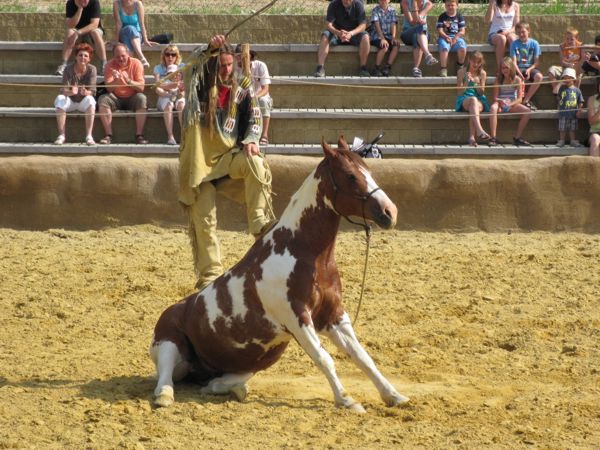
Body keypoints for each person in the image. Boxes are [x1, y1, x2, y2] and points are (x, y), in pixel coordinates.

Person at [179, 35, 275, 290]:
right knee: (204, 219)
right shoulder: (200, 82)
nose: (226, 70)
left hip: (228, 158)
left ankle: (259, 222)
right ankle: (210, 275)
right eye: (221, 65)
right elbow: (191, 65)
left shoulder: (243, 86)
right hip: (200, 164)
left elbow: (255, 118)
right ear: (213, 64)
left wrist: (252, 138)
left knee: (256, 163)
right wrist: (209, 49)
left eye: (230, 65)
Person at [98, 43, 148, 144]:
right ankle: (108, 135)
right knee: (103, 99)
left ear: (128, 54)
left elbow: (141, 88)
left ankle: (139, 135)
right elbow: (109, 89)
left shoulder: (137, 63)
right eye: (117, 57)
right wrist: (116, 80)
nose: (120, 59)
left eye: (123, 56)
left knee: (142, 98)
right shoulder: (109, 65)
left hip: (132, 97)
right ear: (113, 57)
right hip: (115, 98)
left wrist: (128, 81)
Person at [53, 43, 97, 145]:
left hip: (83, 102)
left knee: (91, 99)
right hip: (70, 101)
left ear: (89, 59)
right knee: (60, 98)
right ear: (76, 57)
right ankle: (61, 135)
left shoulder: (92, 69)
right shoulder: (68, 69)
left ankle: (89, 136)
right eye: (80, 55)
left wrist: (86, 92)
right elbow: (63, 90)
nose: (83, 58)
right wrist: (70, 92)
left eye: (86, 56)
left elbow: (93, 91)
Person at [314, 0, 371, 77]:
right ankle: (320, 67)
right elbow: (328, 24)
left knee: (366, 37)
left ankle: (363, 68)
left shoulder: (358, 5)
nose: (345, 1)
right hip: (337, 34)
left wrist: (351, 33)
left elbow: (363, 25)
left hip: (353, 34)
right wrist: (339, 33)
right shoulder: (333, 4)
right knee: (325, 35)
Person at [56, 0, 107, 76]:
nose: (86, 1)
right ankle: (63, 65)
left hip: (92, 31)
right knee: (70, 32)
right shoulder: (70, 3)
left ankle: (104, 64)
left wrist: (78, 32)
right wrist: (80, 9)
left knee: (95, 32)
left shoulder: (94, 2)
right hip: (77, 31)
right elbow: (70, 25)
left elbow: (94, 24)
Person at [488, 57, 531, 146]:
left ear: (511, 67)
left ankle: (517, 138)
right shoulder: (498, 79)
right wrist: (502, 101)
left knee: (527, 111)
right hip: (500, 103)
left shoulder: (517, 79)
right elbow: (495, 97)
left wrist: (510, 104)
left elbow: (519, 99)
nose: (504, 70)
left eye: (506, 67)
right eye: (502, 68)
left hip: (512, 103)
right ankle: (493, 137)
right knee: (492, 108)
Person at [235, 44, 273, 145]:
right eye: (237, 56)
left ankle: (264, 134)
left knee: (263, 101)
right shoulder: (234, 68)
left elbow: (265, 89)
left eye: (240, 56)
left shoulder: (261, 66)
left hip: (258, 95)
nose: (238, 59)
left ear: (249, 57)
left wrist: (254, 97)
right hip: (242, 96)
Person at [454, 51, 490, 146]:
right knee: (473, 100)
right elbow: (459, 92)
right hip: (464, 98)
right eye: (474, 61)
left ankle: (472, 138)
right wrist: (466, 82)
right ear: (469, 60)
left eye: (478, 62)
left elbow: (482, 92)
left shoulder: (482, 73)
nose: (476, 64)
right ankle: (479, 130)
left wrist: (476, 83)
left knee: (473, 107)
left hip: (479, 99)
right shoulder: (461, 72)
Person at [154, 45, 185, 145]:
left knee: (181, 105)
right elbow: (157, 87)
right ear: (164, 56)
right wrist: (172, 86)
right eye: (167, 54)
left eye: (173, 54)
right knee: (168, 105)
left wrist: (177, 87)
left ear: (177, 56)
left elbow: (185, 86)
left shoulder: (182, 67)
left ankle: (185, 135)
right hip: (165, 96)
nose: (170, 57)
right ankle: (170, 136)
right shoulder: (158, 68)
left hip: (179, 94)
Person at [400, 0, 439, 78]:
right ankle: (427, 54)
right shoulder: (405, 2)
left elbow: (419, 18)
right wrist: (414, 6)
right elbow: (412, 22)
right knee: (419, 28)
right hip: (407, 34)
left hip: (423, 34)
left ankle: (416, 68)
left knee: (417, 35)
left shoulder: (428, 3)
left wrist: (419, 19)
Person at [510, 21, 542, 110]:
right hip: (518, 68)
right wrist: (519, 73)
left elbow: (536, 62)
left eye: (523, 32)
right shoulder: (514, 44)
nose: (521, 34)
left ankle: (526, 100)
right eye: (519, 32)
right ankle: (517, 101)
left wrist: (529, 70)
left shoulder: (534, 43)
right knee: (519, 80)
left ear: (528, 31)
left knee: (539, 76)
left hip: (530, 68)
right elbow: (513, 62)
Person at [112, 0, 153, 68]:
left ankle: (129, 67)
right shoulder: (116, 3)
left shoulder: (137, 4)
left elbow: (141, 23)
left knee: (129, 36)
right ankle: (142, 58)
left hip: (137, 35)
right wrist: (116, 41)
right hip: (123, 33)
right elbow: (118, 23)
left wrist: (145, 39)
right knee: (129, 28)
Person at [485, 0, 520, 74]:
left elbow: (516, 26)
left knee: (512, 38)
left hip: (510, 32)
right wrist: (491, 4)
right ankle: (500, 69)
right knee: (502, 39)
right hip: (495, 33)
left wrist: (507, 32)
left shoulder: (516, 6)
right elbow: (487, 20)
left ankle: (516, 68)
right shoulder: (494, 4)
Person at [548, 28, 583, 97]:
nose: (569, 41)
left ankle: (574, 97)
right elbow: (562, 62)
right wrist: (569, 64)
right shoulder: (562, 46)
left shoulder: (581, 46)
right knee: (551, 70)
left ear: (577, 38)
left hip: (576, 69)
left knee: (576, 75)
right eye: (567, 39)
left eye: (571, 39)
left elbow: (582, 60)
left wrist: (574, 66)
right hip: (565, 67)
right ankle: (559, 94)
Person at [436, 0, 467, 77]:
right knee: (444, 48)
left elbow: (462, 31)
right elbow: (440, 30)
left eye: (452, 5)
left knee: (462, 47)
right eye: (448, 5)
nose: (450, 7)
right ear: (445, 6)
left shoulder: (459, 16)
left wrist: (456, 38)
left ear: (457, 6)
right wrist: (446, 37)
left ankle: (460, 66)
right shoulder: (442, 16)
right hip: (444, 37)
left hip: (456, 37)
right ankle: (443, 69)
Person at [369, 0, 400, 77]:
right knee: (384, 46)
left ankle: (387, 67)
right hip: (377, 36)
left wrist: (393, 37)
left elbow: (393, 24)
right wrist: (382, 38)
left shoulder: (392, 10)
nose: (383, 1)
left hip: (388, 36)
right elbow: (377, 25)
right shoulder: (375, 10)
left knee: (396, 45)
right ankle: (376, 68)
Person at [556, 67, 584, 148]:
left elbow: (580, 101)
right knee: (562, 128)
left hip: (573, 113)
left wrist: (579, 110)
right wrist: (560, 83)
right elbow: (557, 95)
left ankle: (573, 140)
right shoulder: (562, 88)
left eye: (569, 78)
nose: (566, 80)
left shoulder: (577, 90)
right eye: (565, 78)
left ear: (573, 79)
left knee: (572, 129)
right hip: (563, 113)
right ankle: (561, 140)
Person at [587, 82, 600, 156]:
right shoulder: (592, 99)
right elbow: (591, 122)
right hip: (595, 132)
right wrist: (599, 112)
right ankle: (596, 167)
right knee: (595, 139)